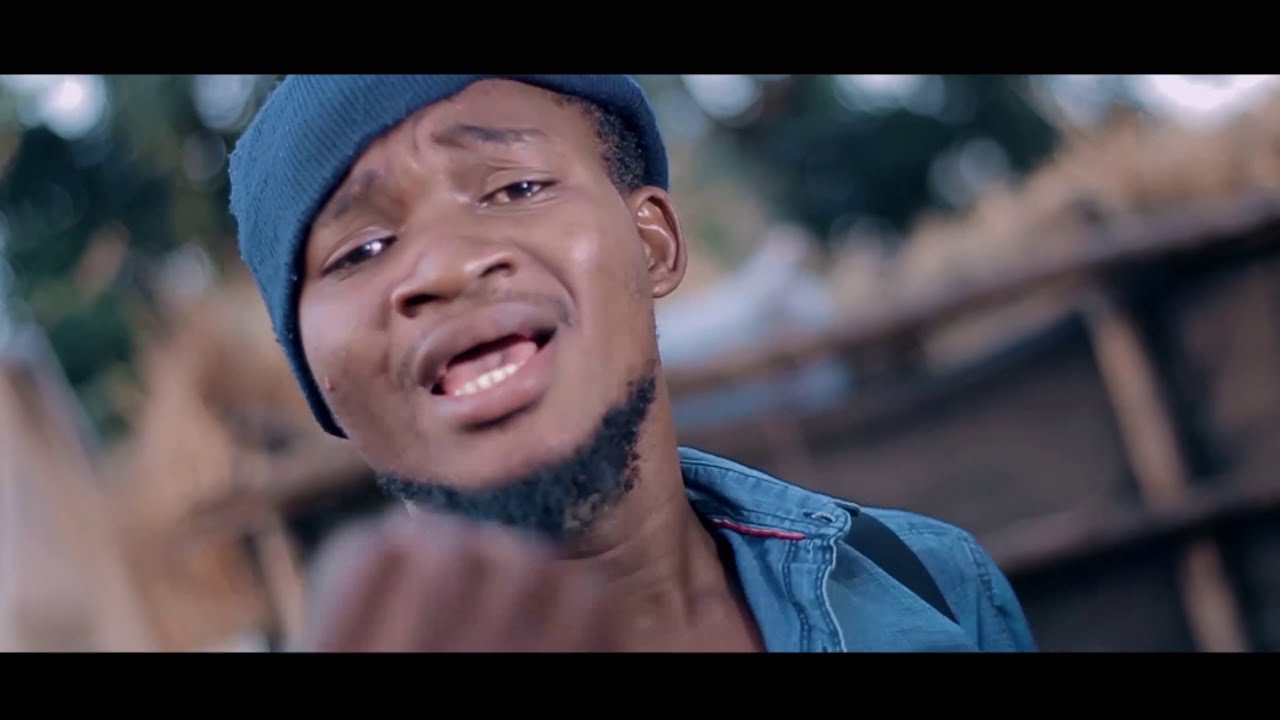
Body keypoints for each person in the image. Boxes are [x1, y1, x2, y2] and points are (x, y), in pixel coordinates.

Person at [228, 74, 1038, 652]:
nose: (446, 267)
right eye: (362, 250)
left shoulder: (928, 584)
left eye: (515, 189)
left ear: (654, 244)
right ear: (318, 380)